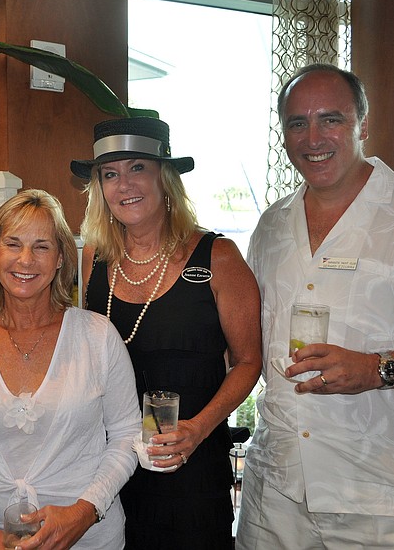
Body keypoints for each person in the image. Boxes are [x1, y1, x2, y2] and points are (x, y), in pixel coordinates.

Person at [236, 63, 394, 549]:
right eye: (296, 122)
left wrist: (379, 369)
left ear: (364, 125)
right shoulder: (270, 226)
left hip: (389, 498)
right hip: (277, 495)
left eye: (331, 119)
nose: (313, 137)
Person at [73, 116, 263, 549]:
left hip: (192, 469)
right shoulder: (94, 262)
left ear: (165, 177)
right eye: (110, 174)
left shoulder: (218, 256)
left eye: (137, 167)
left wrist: (198, 428)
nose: (124, 185)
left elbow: (249, 362)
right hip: (113, 468)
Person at [0, 189, 141, 550]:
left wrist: (84, 513)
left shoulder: (97, 336)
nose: (25, 259)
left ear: (62, 257)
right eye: (12, 244)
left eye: (42, 246)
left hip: (88, 538)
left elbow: (127, 436)